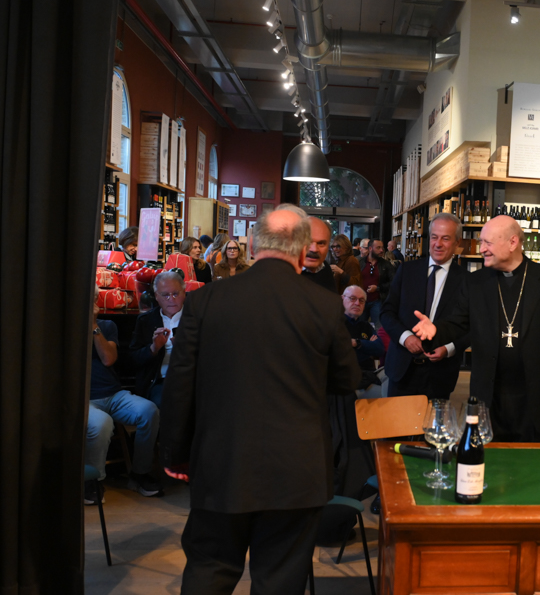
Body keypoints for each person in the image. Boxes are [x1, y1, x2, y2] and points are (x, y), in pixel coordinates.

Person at [159, 204, 361, 594]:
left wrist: (176, 452)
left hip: (222, 461)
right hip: (296, 470)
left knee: (209, 569)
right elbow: (347, 379)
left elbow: (180, 384)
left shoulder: (205, 301)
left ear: (251, 244)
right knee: (280, 579)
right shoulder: (323, 305)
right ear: (303, 251)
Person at [411, 215, 540, 442]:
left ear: (512, 242)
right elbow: (457, 323)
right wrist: (435, 331)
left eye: (487, 243)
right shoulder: (475, 282)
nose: (482, 249)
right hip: (488, 399)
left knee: (531, 471)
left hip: (533, 398)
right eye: (481, 243)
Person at [381, 213, 470, 400]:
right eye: (434, 237)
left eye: (445, 238)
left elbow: (472, 327)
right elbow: (387, 312)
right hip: (402, 370)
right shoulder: (407, 270)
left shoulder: (468, 281)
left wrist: (449, 348)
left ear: (457, 242)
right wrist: (406, 338)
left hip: (440, 375)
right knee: (397, 428)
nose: (438, 244)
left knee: (433, 430)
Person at [86, 286, 163, 501]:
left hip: (114, 394)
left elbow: (108, 359)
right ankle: (92, 481)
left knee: (149, 411)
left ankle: (139, 474)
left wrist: (93, 326)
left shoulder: (106, 326)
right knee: (101, 423)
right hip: (85, 399)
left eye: (92, 299)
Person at [130, 271, 185, 408]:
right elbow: (133, 359)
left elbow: (213, 356)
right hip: (160, 381)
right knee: (166, 403)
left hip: (192, 379)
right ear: (156, 297)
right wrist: (153, 349)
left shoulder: (196, 318)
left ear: (184, 293)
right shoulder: (146, 320)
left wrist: (185, 348)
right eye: (165, 295)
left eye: (175, 294)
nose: (171, 299)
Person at [342, 286, 385, 394]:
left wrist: (356, 343)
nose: (357, 303)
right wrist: (368, 347)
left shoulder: (365, 325)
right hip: (347, 381)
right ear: (342, 299)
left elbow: (380, 348)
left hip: (368, 376)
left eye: (361, 300)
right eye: (352, 298)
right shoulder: (336, 324)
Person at [359, 239, 395, 326]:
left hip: (377, 301)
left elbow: (394, 282)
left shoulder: (386, 265)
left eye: (382, 248)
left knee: (380, 328)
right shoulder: (360, 262)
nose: (381, 250)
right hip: (361, 301)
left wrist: (378, 288)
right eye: (378, 248)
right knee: (358, 327)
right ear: (370, 248)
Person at [300, 217, 335, 292]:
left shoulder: (325, 268)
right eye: (308, 242)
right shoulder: (282, 273)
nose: (314, 249)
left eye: (321, 243)